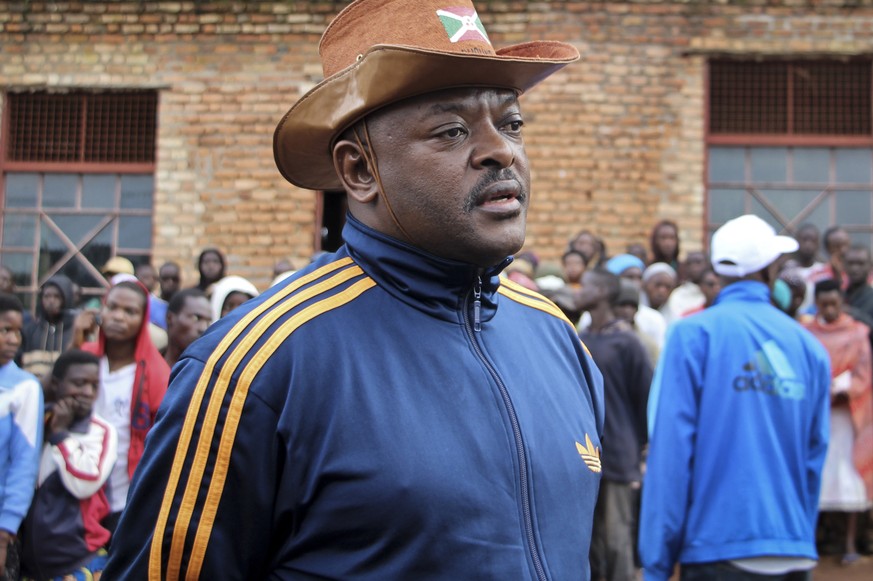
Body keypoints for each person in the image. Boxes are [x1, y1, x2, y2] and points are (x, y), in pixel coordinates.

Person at [103, 1, 604, 578]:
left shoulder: (558, 340)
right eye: (451, 130)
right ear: (359, 170)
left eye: (511, 123)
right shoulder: (254, 370)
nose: (502, 150)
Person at [639, 214, 832, 581]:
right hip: (791, 550)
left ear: (718, 270)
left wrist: (657, 562)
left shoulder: (692, 336)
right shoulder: (809, 349)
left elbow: (671, 454)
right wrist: (795, 534)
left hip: (716, 547)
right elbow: (814, 458)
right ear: (770, 268)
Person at [71, 280, 169, 537]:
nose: (117, 317)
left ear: (143, 318)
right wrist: (75, 341)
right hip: (76, 487)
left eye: (130, 312)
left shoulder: (156, 373)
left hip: (125, 498)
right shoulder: (86, 356)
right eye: (112, 307)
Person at [578, 269, 652, 581]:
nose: (579, 291)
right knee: (589, 539)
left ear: (604, 293)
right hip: (584, 452)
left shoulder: (627, 343)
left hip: (620, 453)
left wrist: (640, 448)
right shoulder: (578, 338)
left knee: (617, 539)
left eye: (587, 286)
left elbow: (645, 398)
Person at [19, 350, 117, 581]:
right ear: (56, 384)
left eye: (94, 385)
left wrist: (61, 436)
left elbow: (84, 483)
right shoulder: (38, 421)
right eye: (79, 383)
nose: (87, 393)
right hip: (32, 563)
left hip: (78, 560)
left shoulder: (101, 430)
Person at [802, 279, 873, 566]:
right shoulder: (807, 334)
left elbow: (864, 373)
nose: (829, 310)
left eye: (834, 304)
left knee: (847, 475)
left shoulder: (858, 333)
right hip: (817, 415)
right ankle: (814, 538)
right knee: (818, 474)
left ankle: (848, 542)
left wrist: (845, 388)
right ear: (816, 304)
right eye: (824, 304)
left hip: (846, 415)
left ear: (842, 303)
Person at [0, 293, 43, 581]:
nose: (15, 339)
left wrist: (6, 532)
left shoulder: (24, 388)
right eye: (5, 330)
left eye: (18, 331)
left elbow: (24, 463)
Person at [20, 275, 77, 381]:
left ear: (67, 298)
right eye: (47, 296)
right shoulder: (29, 330)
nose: (51, 301)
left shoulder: (76, 330)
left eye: (57, 296)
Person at [605, 254, 667, 349]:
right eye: (629, 277)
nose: (636, 283)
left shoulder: (654, 319)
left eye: (639, 278)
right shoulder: (594, 317)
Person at [163, 289, 212, 368]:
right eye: (196, 318)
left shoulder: (207, 374)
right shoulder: (145, 366)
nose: (204, 328)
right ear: (170, 318)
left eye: (208, 322)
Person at [663, 251, 708, 323]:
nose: (694, 267)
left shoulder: (713, 292)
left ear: (707, 265)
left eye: (698, 262)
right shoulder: (678, 295)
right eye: (690, 263)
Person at [791, 223, 824, 314]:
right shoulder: (788, 270)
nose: (808, 244)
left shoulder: (823, 271)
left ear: (818, 244)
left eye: (812, 240)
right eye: (804, 240)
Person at [845, 245, 873, 322]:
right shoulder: (839, 296)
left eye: (861, 263)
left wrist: (851, 312)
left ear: (870, 266)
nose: (855, 268)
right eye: (850, 263)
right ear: (844, 265)